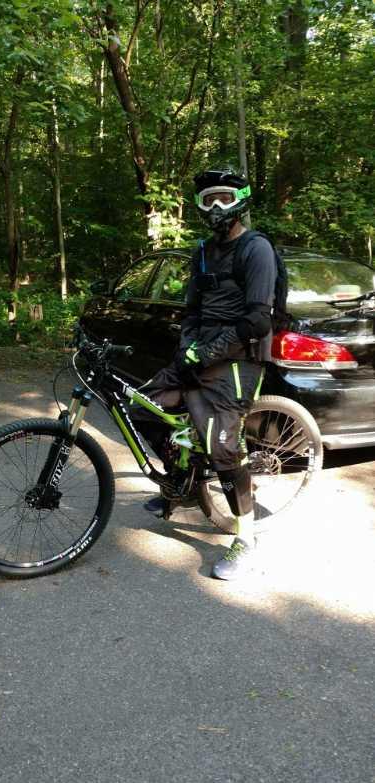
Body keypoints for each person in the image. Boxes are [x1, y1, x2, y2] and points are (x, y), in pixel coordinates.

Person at [132, 165, 277, 580]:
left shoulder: (256, 250)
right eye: (208, 198)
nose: (216, 206)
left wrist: (209, 352)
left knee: (222, 446)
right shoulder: (201, 252)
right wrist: (186, 350)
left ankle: (245, 537)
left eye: (224, 198)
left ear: (242, 200)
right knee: (142, 407)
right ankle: (183, 484)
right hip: (200, 353)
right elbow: (192, 311)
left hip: (238, 360)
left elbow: (257, 322)